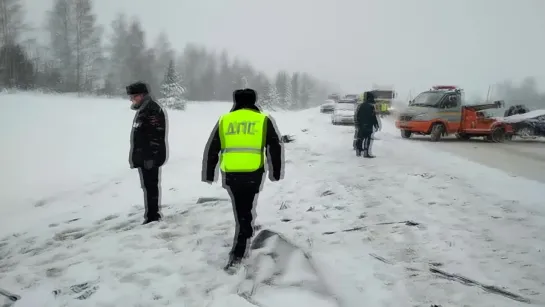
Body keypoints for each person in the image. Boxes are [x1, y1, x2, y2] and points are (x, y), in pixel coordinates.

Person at [202, 88, 284, 271]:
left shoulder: (225, 120)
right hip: (253, 172)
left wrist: (209, 172)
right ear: (253, 101)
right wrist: (275, 171)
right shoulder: (262, 119)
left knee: (240, 206)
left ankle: (245, 229)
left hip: (231, 173)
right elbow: (275, 146)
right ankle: (239, 248)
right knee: (246, 206)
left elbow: (213, 147)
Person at [127, 81, 168, 224]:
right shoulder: (144, 109)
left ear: (141, 95)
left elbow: (156, 135)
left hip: (150, 157)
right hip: (144, 156)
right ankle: (151, 214)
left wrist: (150, 157)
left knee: (151, 186)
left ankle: (153, 216)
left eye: (133, 97)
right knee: (148, 186)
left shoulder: (152, 109)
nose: (131, 100)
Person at [355, 91, 380, 158]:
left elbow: (357, 116)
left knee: (360, 138)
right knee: (368, 139)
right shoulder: (371, 106)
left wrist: (358, 124)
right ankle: (366, 153)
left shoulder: (361, 106)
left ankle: (358, 151)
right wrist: (376, 124)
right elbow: (373, 117)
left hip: (361, 125)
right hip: (368, 125)